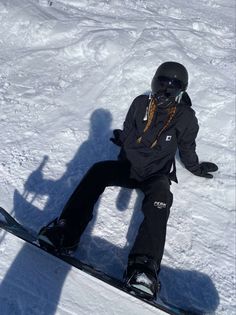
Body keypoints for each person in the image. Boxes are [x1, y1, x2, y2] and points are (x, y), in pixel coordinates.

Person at [38, 61, 218, 299]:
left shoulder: (186, 117)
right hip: (129, 167)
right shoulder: (140, 103)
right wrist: (123, 139)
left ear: (181, 90)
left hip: (156, 174)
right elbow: (130, 130)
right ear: (154, 81)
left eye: (173, 85)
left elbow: (186, 148)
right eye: (162, 81)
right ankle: (67, 231)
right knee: (98, 171)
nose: (166, 88)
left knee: (161, 197)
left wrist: (195, 167)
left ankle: (144, 266)